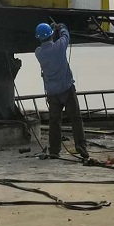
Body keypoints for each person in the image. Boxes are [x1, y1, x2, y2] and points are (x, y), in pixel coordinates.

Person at [34, 22, 89, 159]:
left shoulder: (38, 53)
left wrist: (52, 31)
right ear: (51, 35)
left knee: (54, 121)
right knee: (75, 118)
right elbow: (66, 36)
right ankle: (80, 146)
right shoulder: (59, 47)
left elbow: (51, 43)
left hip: (52, 93)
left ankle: (54, 150)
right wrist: (61, 27)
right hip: (66, 89)